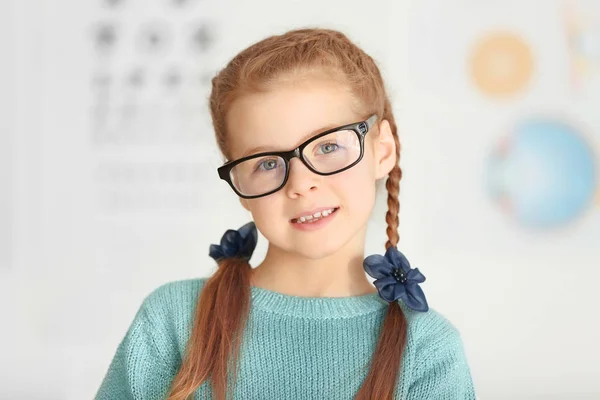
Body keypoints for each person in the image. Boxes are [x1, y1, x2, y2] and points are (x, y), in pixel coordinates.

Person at [96, 28, 477, 400]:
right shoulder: (173, 321)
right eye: (266, 163)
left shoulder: (428, 351)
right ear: (238, 184)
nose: (301, 183)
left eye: (328, 147)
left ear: (383, 151)